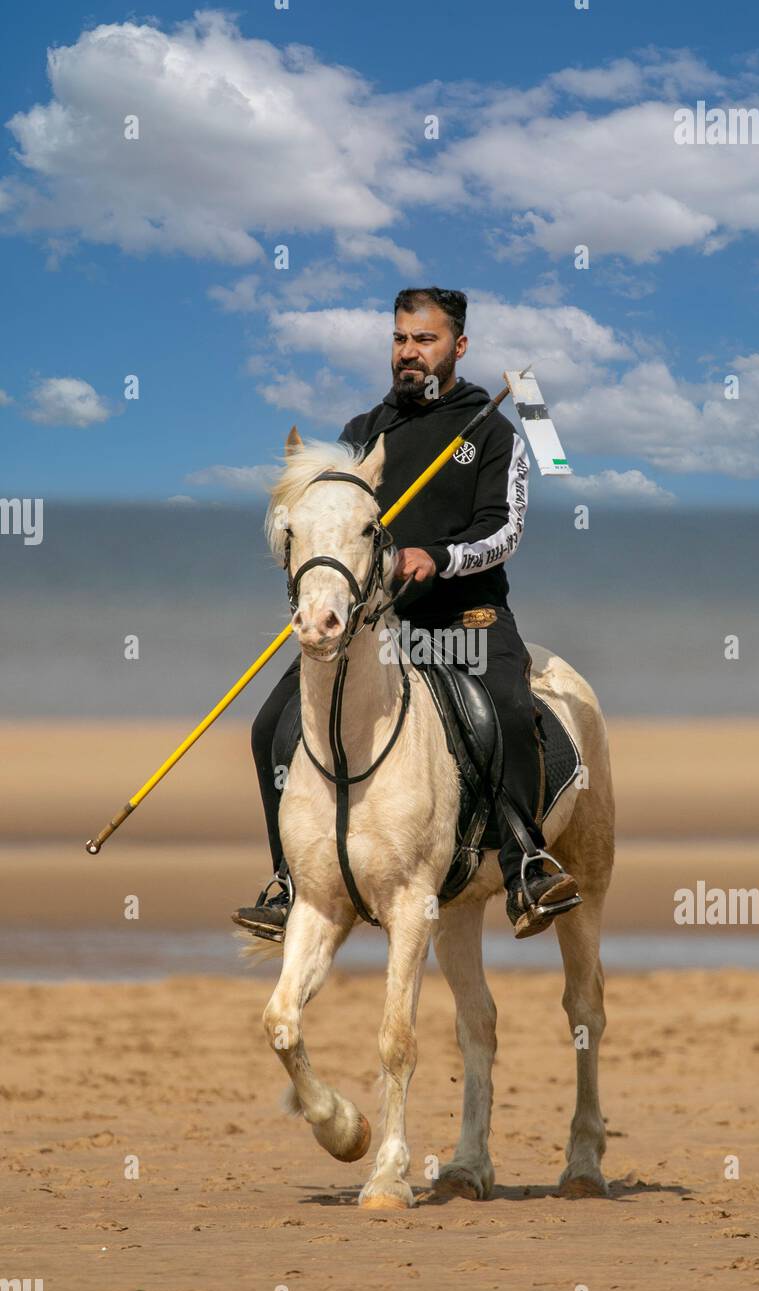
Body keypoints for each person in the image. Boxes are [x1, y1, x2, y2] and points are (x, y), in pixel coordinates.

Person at [232, 287, 580, 940]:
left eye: (425, 339)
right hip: (379, 629)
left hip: (464, 621)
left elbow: (505, 531)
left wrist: (438, 558)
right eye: (400, 339)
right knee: (268, 726)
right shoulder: (361, 434)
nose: (409, 352)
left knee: (503, 708)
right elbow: (323, 520)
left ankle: (526, 859)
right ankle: (287, 879)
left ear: (458, 347)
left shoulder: (492, 429)